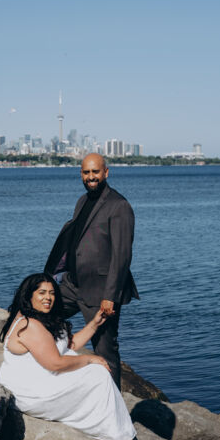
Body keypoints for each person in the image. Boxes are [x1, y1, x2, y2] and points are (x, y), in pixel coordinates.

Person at [0, 273, 141, 440]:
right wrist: (89, 358)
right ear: (29, 296)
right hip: (29, 393)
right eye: (42, 293)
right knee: (98, 374)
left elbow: (67, 346)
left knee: (95, 371)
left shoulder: (39, 318)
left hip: (41, 381)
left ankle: (107, 427)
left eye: (52, 293)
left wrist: (94, 324)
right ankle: (115, 435)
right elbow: (55, 363)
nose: (48, 298)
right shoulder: (29, 324)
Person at [45, 153, 139, 388]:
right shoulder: (82, 201)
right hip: (71, 285)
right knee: (41, 316)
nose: (91, 177)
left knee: (106, 350)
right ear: (81, 174)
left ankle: (112, 403)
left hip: (101, 293)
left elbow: (122, 256)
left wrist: (110, 296)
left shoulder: (119, 206)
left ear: (106, 172)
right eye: (86, 172)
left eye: (95, 172)